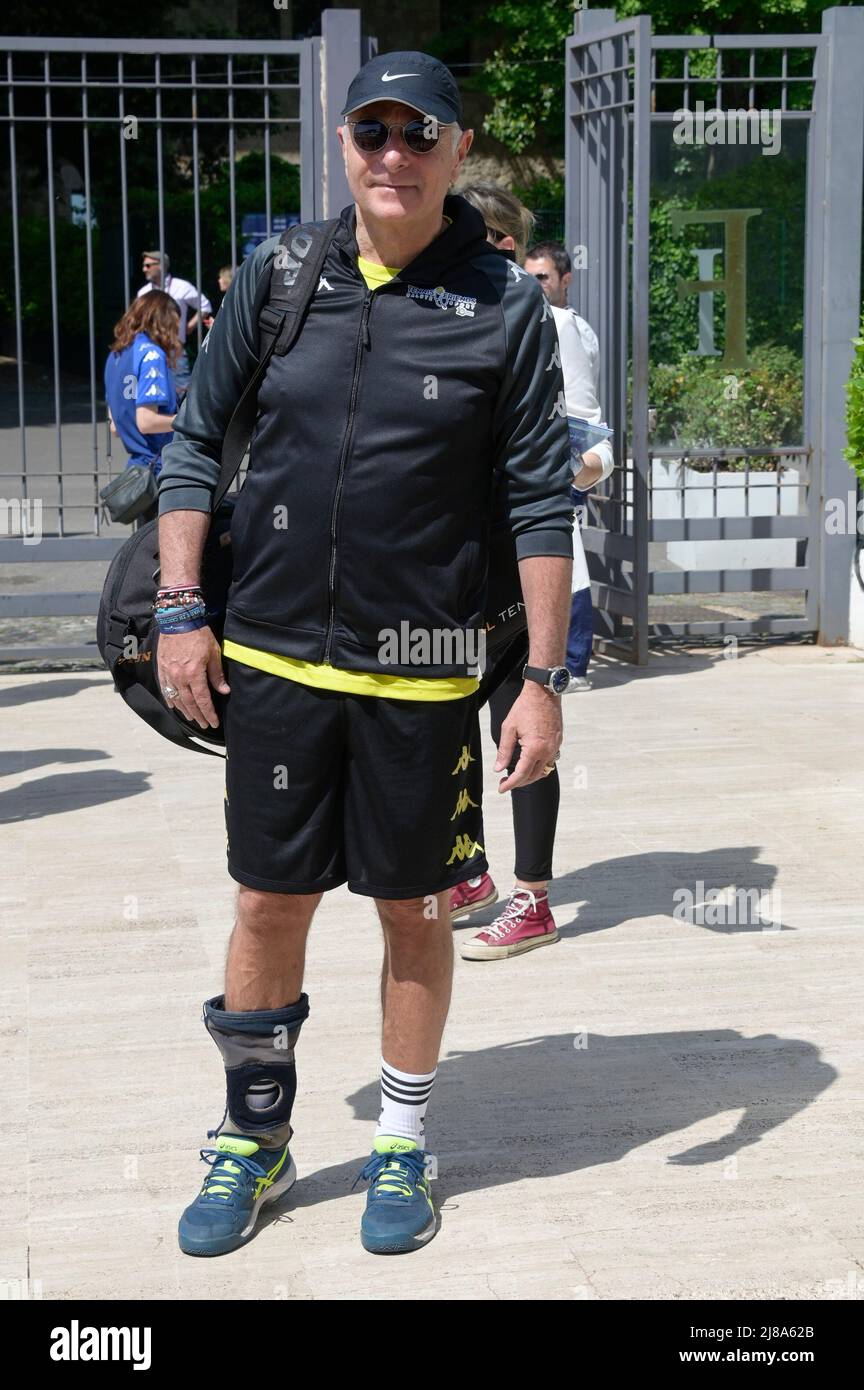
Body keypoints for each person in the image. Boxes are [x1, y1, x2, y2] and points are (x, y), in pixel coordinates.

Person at [154, 49, 574, 1258]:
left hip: (428, 670)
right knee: (268, 898)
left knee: (412, 908)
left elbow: (542, 499)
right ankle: (253, 1134)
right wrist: (183, 609)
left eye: (417, 133)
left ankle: (402, 1138)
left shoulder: (501, 304)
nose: (393, 154)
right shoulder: (284, 273)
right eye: (370, 132)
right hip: (275, 659)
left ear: (455, 148)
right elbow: (193, 442)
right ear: (344, 144)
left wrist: (541, 681)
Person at [451, 192, 614, 960]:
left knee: (519, 723)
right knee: (442, 718)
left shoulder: (552, 326)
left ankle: (534, 898)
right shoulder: (433, 313)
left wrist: (544, 479)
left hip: (523, 560)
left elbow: (596, 451)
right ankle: (470, 873)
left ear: (506, 243)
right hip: (446, 563)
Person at [525, 241, 615, 689]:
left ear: (565, 279)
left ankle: (574, 661)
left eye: (542, 277)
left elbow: (584, 409)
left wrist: (581, 462)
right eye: (530, 276)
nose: (535, 285)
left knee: (566, 555)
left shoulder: (571, 328)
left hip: (562, 457)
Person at [104, 291, 180, 525]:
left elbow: (114, 425)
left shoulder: (117, 355)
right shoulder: (151, 355)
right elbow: (146, 421)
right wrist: (186, 418)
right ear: (163, 319)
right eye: (175, 323)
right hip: (161, 468)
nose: (178, 332)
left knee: (145, 551)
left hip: (139, 471)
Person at [137, 250, 212, 395]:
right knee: (153, 393)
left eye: (148, 265)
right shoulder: (143, 292)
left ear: (160, 266)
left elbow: (205, 305)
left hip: (174, 350)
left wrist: (188, 327)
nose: (144, 269)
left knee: (182, 394)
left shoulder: (181, 286)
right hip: (150, 349)